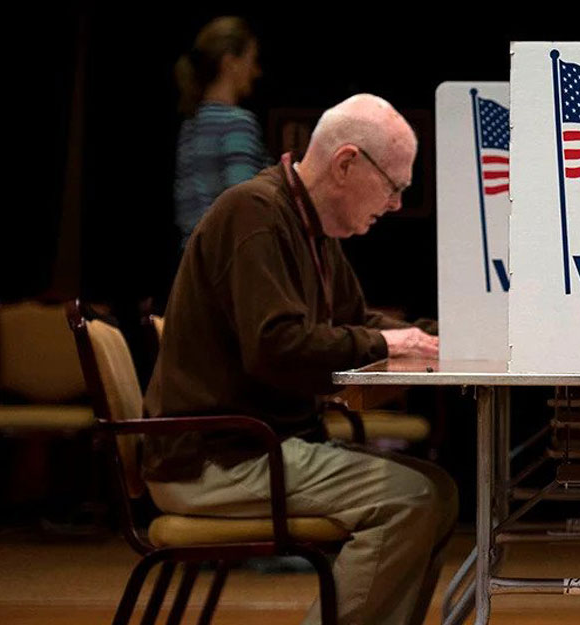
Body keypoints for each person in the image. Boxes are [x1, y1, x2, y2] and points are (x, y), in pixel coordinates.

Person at [144, 94, 454, 625]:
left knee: (441, 493)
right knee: (412, 500)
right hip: (216, 457)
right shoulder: (256, 214)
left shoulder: (309, 227)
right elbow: (277, 347)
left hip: (256, 446)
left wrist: (449, 336)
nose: (396, 204)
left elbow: (359, 320)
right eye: (394, 186)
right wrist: (389, 345)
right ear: (346, 163)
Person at [174, 16, 270, 250]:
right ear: (229, 63)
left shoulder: (190, 125)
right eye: (251, 60)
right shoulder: (236, 123)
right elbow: (245, 207)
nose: (256, 72)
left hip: (194, 260)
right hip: (229, 260)